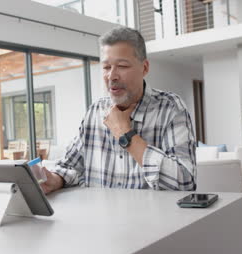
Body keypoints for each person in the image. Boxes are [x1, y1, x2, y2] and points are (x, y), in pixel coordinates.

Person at [40, 26, 196, 194]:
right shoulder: (95, 111)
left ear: (144, 68)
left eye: (121, 66)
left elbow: (185, 182)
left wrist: (125, 134)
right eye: (106, 67)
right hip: (100, 219)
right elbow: (70, 165)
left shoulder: (170, 108)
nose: (112, 76)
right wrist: (55, 180)